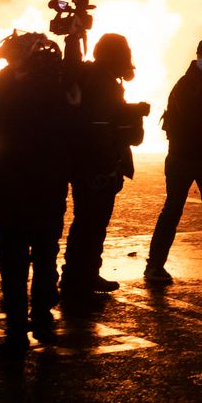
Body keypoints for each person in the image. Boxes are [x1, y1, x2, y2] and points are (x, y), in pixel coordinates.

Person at [0, 31, 79, 359]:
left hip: (10, 190)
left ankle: (16, 329)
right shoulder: (62, 92)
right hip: (48, 189)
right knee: (44, 256)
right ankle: (41, 317)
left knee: (11, 262)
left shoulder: (4, 88)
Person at [61, 33, 150, 304]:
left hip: (86, 165)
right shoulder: (103, 82)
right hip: (97, 167)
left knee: (88, 223)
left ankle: (83, 274)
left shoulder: (94, 76)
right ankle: (78, 278)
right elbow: (101, 122)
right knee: (91, 223)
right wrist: (133, 113)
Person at [145, 37, 202, 285]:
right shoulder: (185, 86)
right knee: (173, 210)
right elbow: (188, 119)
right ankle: (154, 265)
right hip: (182, 157)